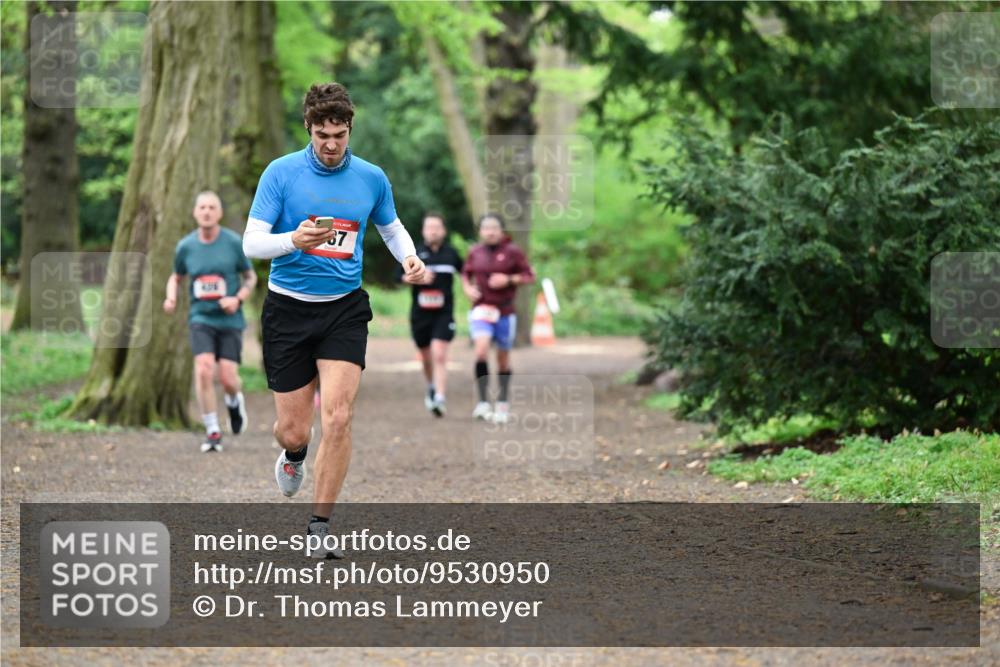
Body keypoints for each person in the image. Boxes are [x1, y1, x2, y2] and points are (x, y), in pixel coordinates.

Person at [242, 82, 425, 558]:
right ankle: (294, 455)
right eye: (322, 133)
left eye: (339, 134)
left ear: (349, 130)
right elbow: (251, 243)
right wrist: (292, 241)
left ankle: (319, 527)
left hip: (343, 309)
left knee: (339, 418)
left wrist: (409, 257)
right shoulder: (280, 174)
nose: (330, 144)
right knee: (294, 429)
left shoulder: (370, 177)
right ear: (308, 127)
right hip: (288, 310)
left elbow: (391, 225)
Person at [164, 191, 256, 453]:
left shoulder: (233, 243)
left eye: (212, 207)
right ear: (195, 212)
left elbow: (250, 278)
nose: (206, 211)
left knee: (227, 377)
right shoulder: (186, 247)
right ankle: (213, 431)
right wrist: (171, 298)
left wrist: (237, 298)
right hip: (201, 317)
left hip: (229, 319)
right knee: (204, 368)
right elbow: (176, 277)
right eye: (202, 207)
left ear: (219, 213)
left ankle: (234, 401)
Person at [461, 213, 535, 424]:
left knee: (503, 360)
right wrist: (467, 288)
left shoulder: (513, 252)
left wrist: (509, 279)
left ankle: (502, 402)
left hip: (504, 311)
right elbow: (465, 273)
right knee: (481, 350)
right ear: (480, 231)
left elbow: (530, 276)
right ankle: (483, 402)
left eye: (494, 228)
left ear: (502, 231)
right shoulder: (474, 252)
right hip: (481, 309)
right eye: (486, 228)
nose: (490, 232)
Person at [400, 212, 463, 417]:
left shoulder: (452, 254)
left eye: (437, 227)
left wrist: (470, 288)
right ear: (423, 231)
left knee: (440, 353)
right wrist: (417, 278)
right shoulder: (414, 253)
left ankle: (440, 398)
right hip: (420, 314)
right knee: (426, 357)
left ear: (443, 230)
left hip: (444, 313)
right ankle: (431, 386)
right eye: (429, 227)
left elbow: (467, 274)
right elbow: (397, 276)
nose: (433, 231)